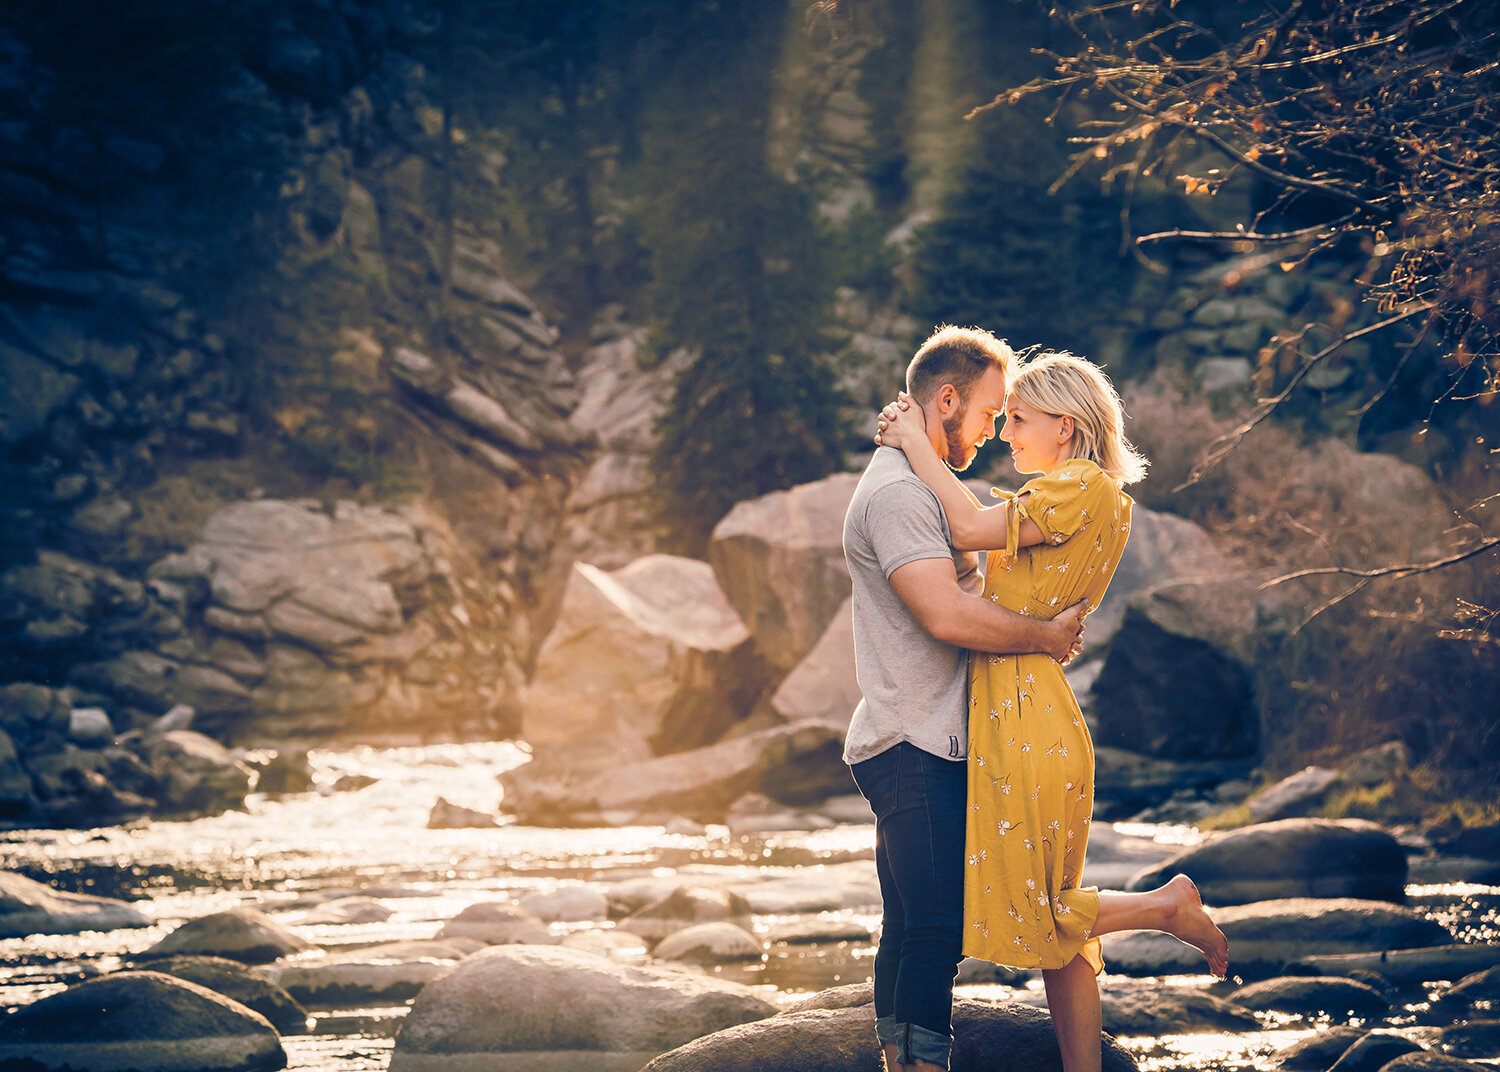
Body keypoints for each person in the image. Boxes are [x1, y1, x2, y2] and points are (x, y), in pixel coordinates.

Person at [877, 351, 1230, 1072]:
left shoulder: (1077, 488)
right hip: (1030, 704)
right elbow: (984, 550)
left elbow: (970, 527)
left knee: (1033, 910)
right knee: (1055, 915)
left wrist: (916, 444)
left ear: (1065, 428)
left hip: (1022, 713)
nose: (1007, 434)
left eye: (1019, 421)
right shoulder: (1083, 492)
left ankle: (1165, 907)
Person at [844, 325, 1089, 1072]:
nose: (990, 432)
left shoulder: (916, 481)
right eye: (988, 414)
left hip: (918, 738)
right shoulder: (895, 495)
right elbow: (945, 615)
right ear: (944, 400)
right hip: (914, 742)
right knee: (936, 932)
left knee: (910, 928)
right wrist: (1044, 637)